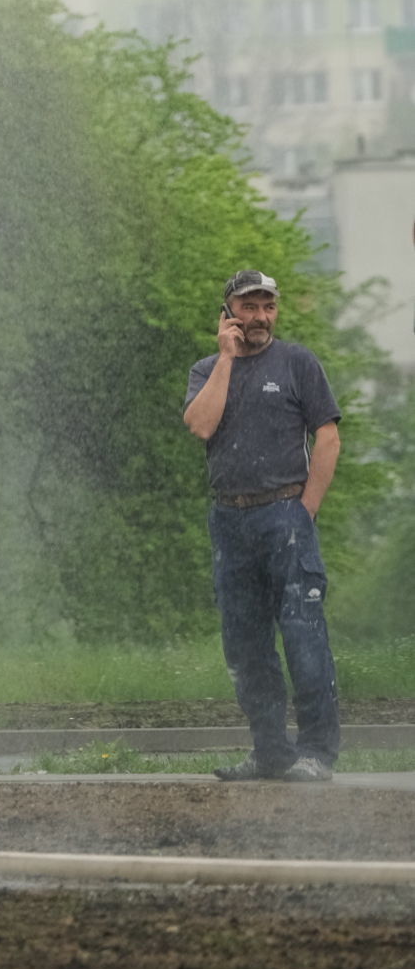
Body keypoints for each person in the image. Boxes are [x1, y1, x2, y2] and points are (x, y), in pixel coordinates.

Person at [183, 268, 341, 782]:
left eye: (267, 306)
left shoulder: (297, 363)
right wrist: (227, 359)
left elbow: (327, 436)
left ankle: (317, 753)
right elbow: (201, 425)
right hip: (229, 519)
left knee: (303, 637)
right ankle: (270, 753)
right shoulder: (207, 368)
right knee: (245, 646)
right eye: (249, 307)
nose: (260, 317)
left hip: (284, 514)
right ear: (228, 312)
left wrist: (305, 509)